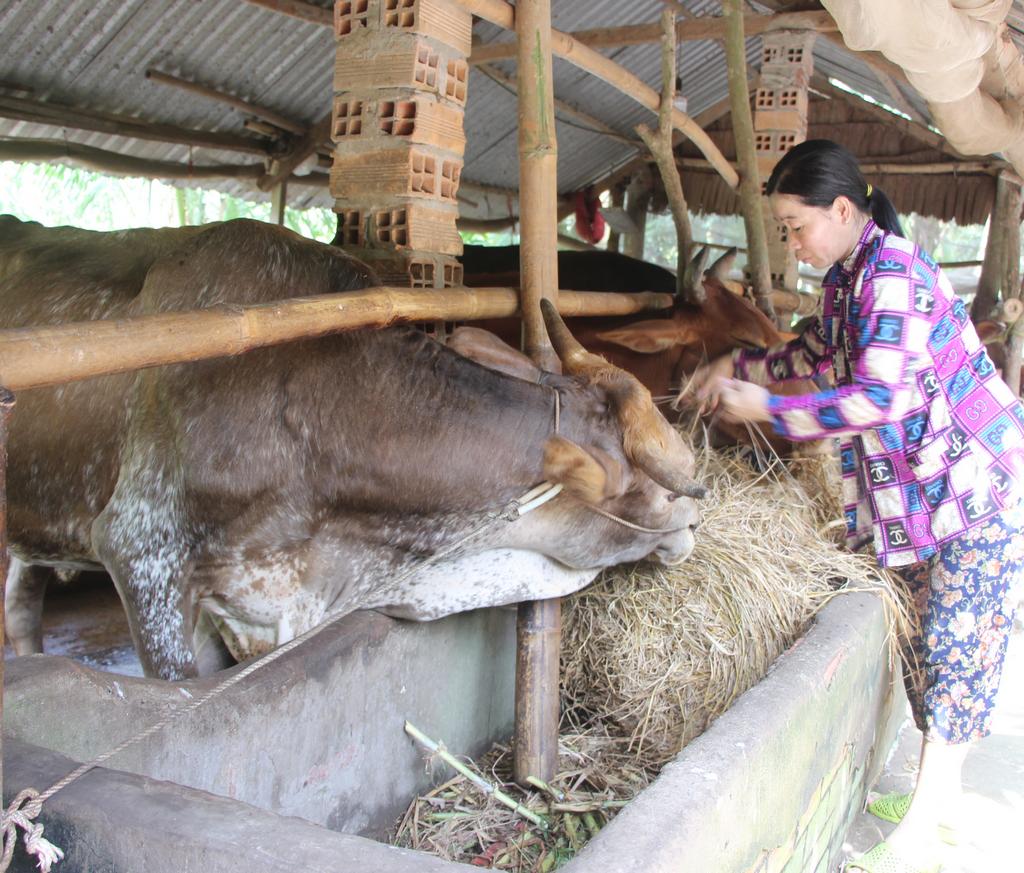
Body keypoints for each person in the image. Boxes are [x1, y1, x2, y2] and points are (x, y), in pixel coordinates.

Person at [688, 139, 1024, 873]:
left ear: (843, 210)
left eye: (796, 224)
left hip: (972, 488)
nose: (792, 241)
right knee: (917, 641)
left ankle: (925, 831)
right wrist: (735, 364)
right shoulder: (848, 279)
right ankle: (944, 807)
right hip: (916, 498)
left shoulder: (893, 273)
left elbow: (882, 396)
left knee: (954, 644)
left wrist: (770, 406)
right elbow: (810, 353)